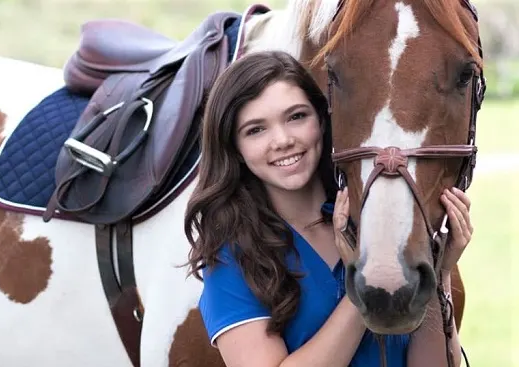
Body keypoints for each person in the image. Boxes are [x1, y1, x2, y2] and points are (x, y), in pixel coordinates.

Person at [184, 50, 473, 367]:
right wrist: (362, 283)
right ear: (235, 149)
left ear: (322, 121)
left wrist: (439, 272)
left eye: (296, 117)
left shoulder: (376, 223)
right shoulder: (231, 261)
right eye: (256, 130)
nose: (282, 140)